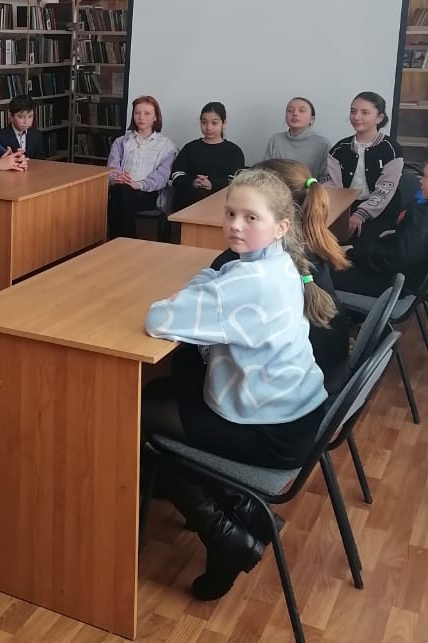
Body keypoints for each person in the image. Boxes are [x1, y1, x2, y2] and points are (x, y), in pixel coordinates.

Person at [144, 168, 331, 601]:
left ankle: (224, 534)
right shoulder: (280, 261)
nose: (234, 225)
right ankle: (242, 506)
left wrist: (202, 282)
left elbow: (159, 319)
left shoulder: (248, 283)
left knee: (139, 414)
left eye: (250, 218)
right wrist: (211, 282)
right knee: (169, 383)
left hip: (272, 434)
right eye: (230, 213)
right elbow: (219, 289)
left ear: (281, 226)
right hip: (300, 415)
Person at [211, 159, 351, 390]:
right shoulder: (313, 246)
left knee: (184, 363)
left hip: (292, 391)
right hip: (327, 377)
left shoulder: (263, 264)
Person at [333, 161, 428, 296]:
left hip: (393, 286)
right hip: (396, 274)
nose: (421, 181)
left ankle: (335, 315)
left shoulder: (422, 217)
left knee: (324, 273)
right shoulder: (421, 214)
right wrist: (398, 233)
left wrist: (352, 253)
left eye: (425, 177)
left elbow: (396, 262)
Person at [327, 90, 404, 241]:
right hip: (345, 209)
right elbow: (332, 184)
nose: (356, 117)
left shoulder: (391, 149)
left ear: (379, 117)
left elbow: (386, 189)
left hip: (381, 211)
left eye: (365, 112)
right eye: (353, 111)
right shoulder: (339, 148)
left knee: (365, 246)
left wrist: (361, 214)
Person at [107, 95, 176, 238]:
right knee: (120, 191)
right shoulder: (121, 141)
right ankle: (125, 242)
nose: (141, 117)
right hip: (121, 188)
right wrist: (117, 177)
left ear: (155, 117)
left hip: (147, 193)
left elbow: (162, 177)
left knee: (118, 198)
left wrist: (138, 184)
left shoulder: (166, 146)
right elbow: (112, 167)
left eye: (147, 113)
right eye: (137, 113)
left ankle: (117, 241)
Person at [169, 101, 244, 212]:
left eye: (214, 123)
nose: (208, 127)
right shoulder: (190, 148)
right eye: (204, 122)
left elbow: (237, 181)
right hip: (188, 204)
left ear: (224, 123)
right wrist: (193, 182)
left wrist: (212, 184)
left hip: (221, 206)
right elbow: (176, 174)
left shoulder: (234, 151)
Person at [263, 97, 331, 178]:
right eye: (290, 111)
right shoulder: (276, 139)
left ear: (312, 119)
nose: (295, 113)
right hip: (278, 188)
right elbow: (265, 171)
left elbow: (326, 178)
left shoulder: (322, 144)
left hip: (311, 189)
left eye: (301, 110)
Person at [0, 93, 47, 160]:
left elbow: (41, 160)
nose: (26, 121)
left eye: (30, 116)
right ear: (10, 116)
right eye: (21, 117)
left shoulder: (36, 134)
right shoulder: (0, 136)